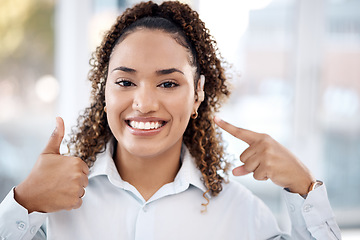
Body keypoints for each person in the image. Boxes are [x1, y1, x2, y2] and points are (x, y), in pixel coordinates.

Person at [0, 1, 341, 239]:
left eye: (168, 83)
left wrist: (304, 186)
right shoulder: (49, 205)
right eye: (125, 81)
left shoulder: (240, 212)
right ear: (104, 91)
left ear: (198, 93)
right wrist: (23, 201)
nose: (144, 102)